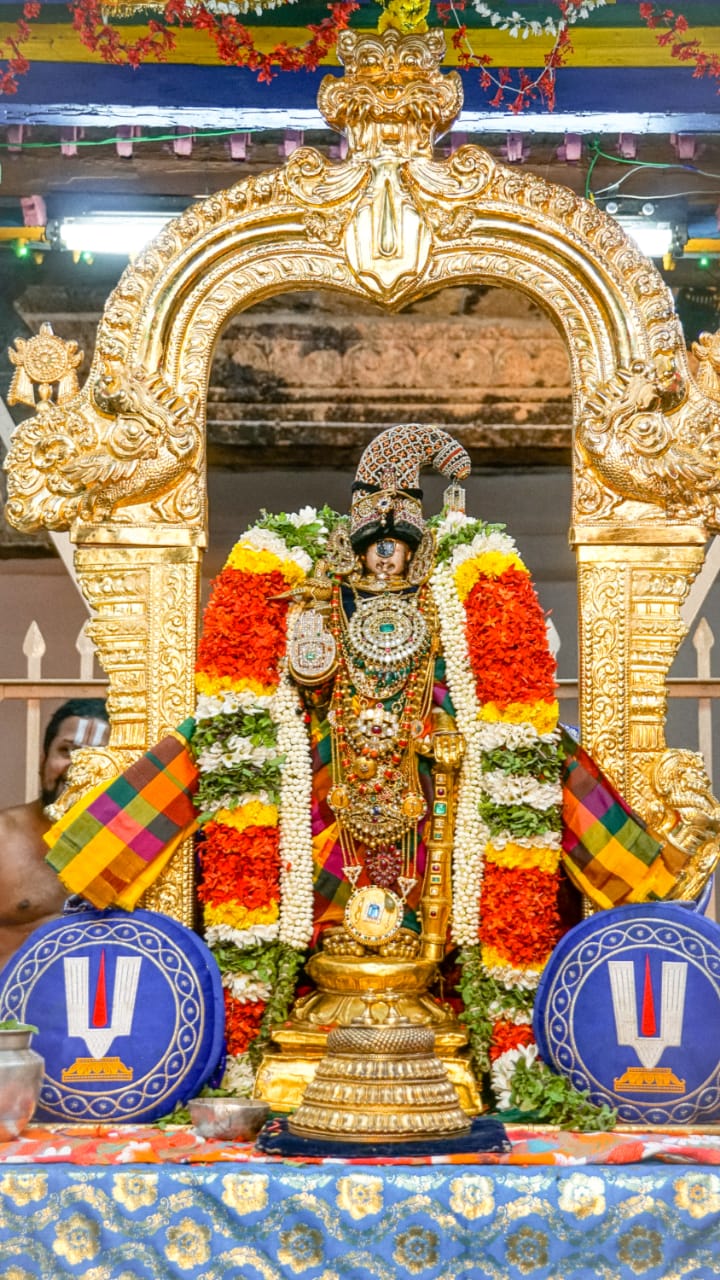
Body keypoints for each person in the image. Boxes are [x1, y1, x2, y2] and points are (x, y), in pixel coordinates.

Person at [0, 698, 109, 972]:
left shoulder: (135, 847)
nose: (79, 766)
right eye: (67, 750)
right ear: (42, 760)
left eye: (95, 756)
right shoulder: (3, 837)